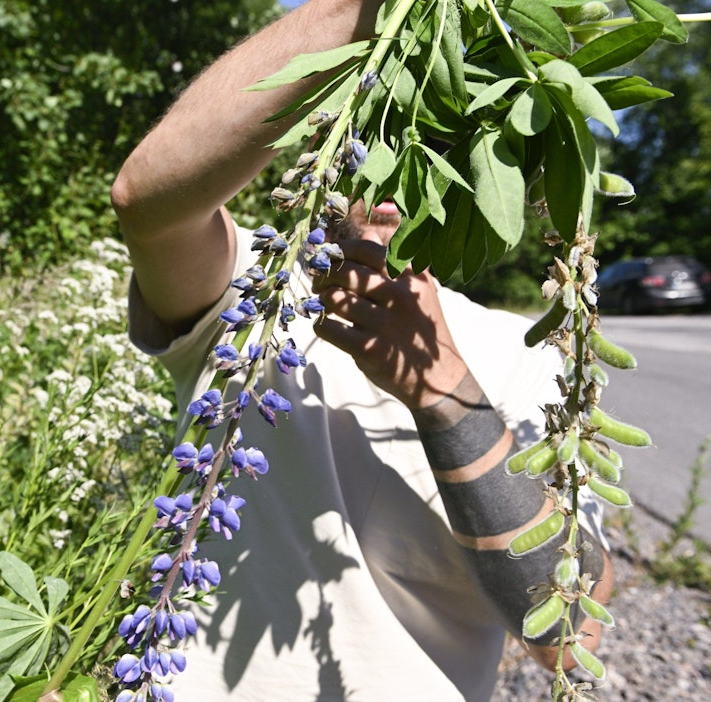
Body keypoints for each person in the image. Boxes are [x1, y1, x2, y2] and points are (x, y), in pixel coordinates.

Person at [109, 0, 615, 700]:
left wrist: (443, 392)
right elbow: (142, 197)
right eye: (388, 120)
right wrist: (367, 11)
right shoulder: (253, 291)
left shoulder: (526, 355)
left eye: (439, 139)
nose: (397, 168)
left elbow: (568, 632)